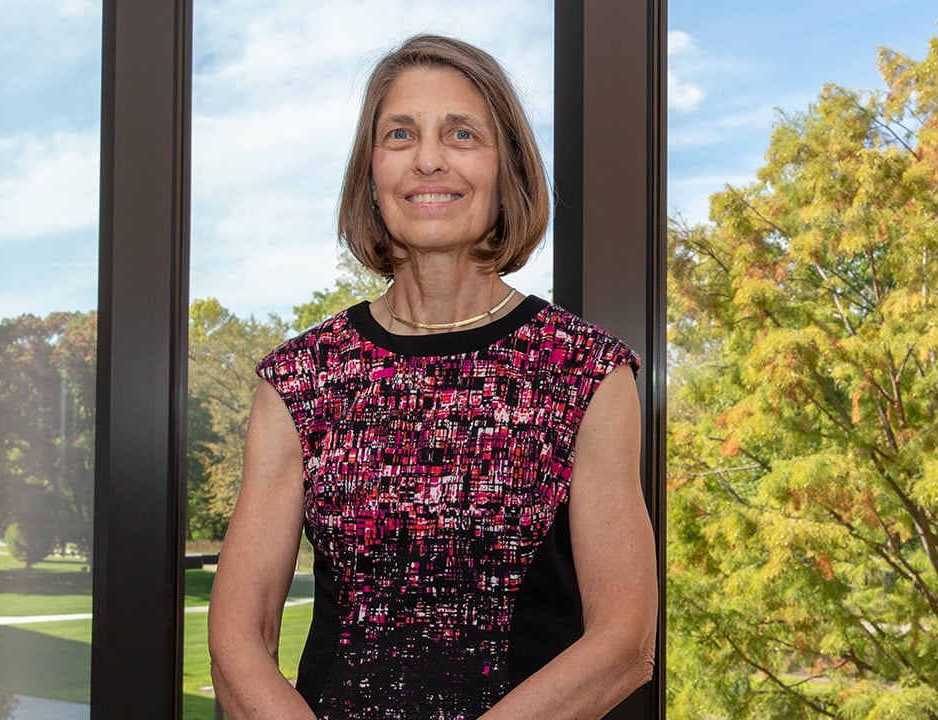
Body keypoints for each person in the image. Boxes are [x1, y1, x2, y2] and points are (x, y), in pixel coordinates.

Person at [208, 34, 657, 720]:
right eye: (399, 134)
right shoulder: (298, 381)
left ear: (507, 168)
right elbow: (239, 640)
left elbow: (624, 643)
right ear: (371, 173)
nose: (428, 159)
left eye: (461, 133)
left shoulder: (587, 372)